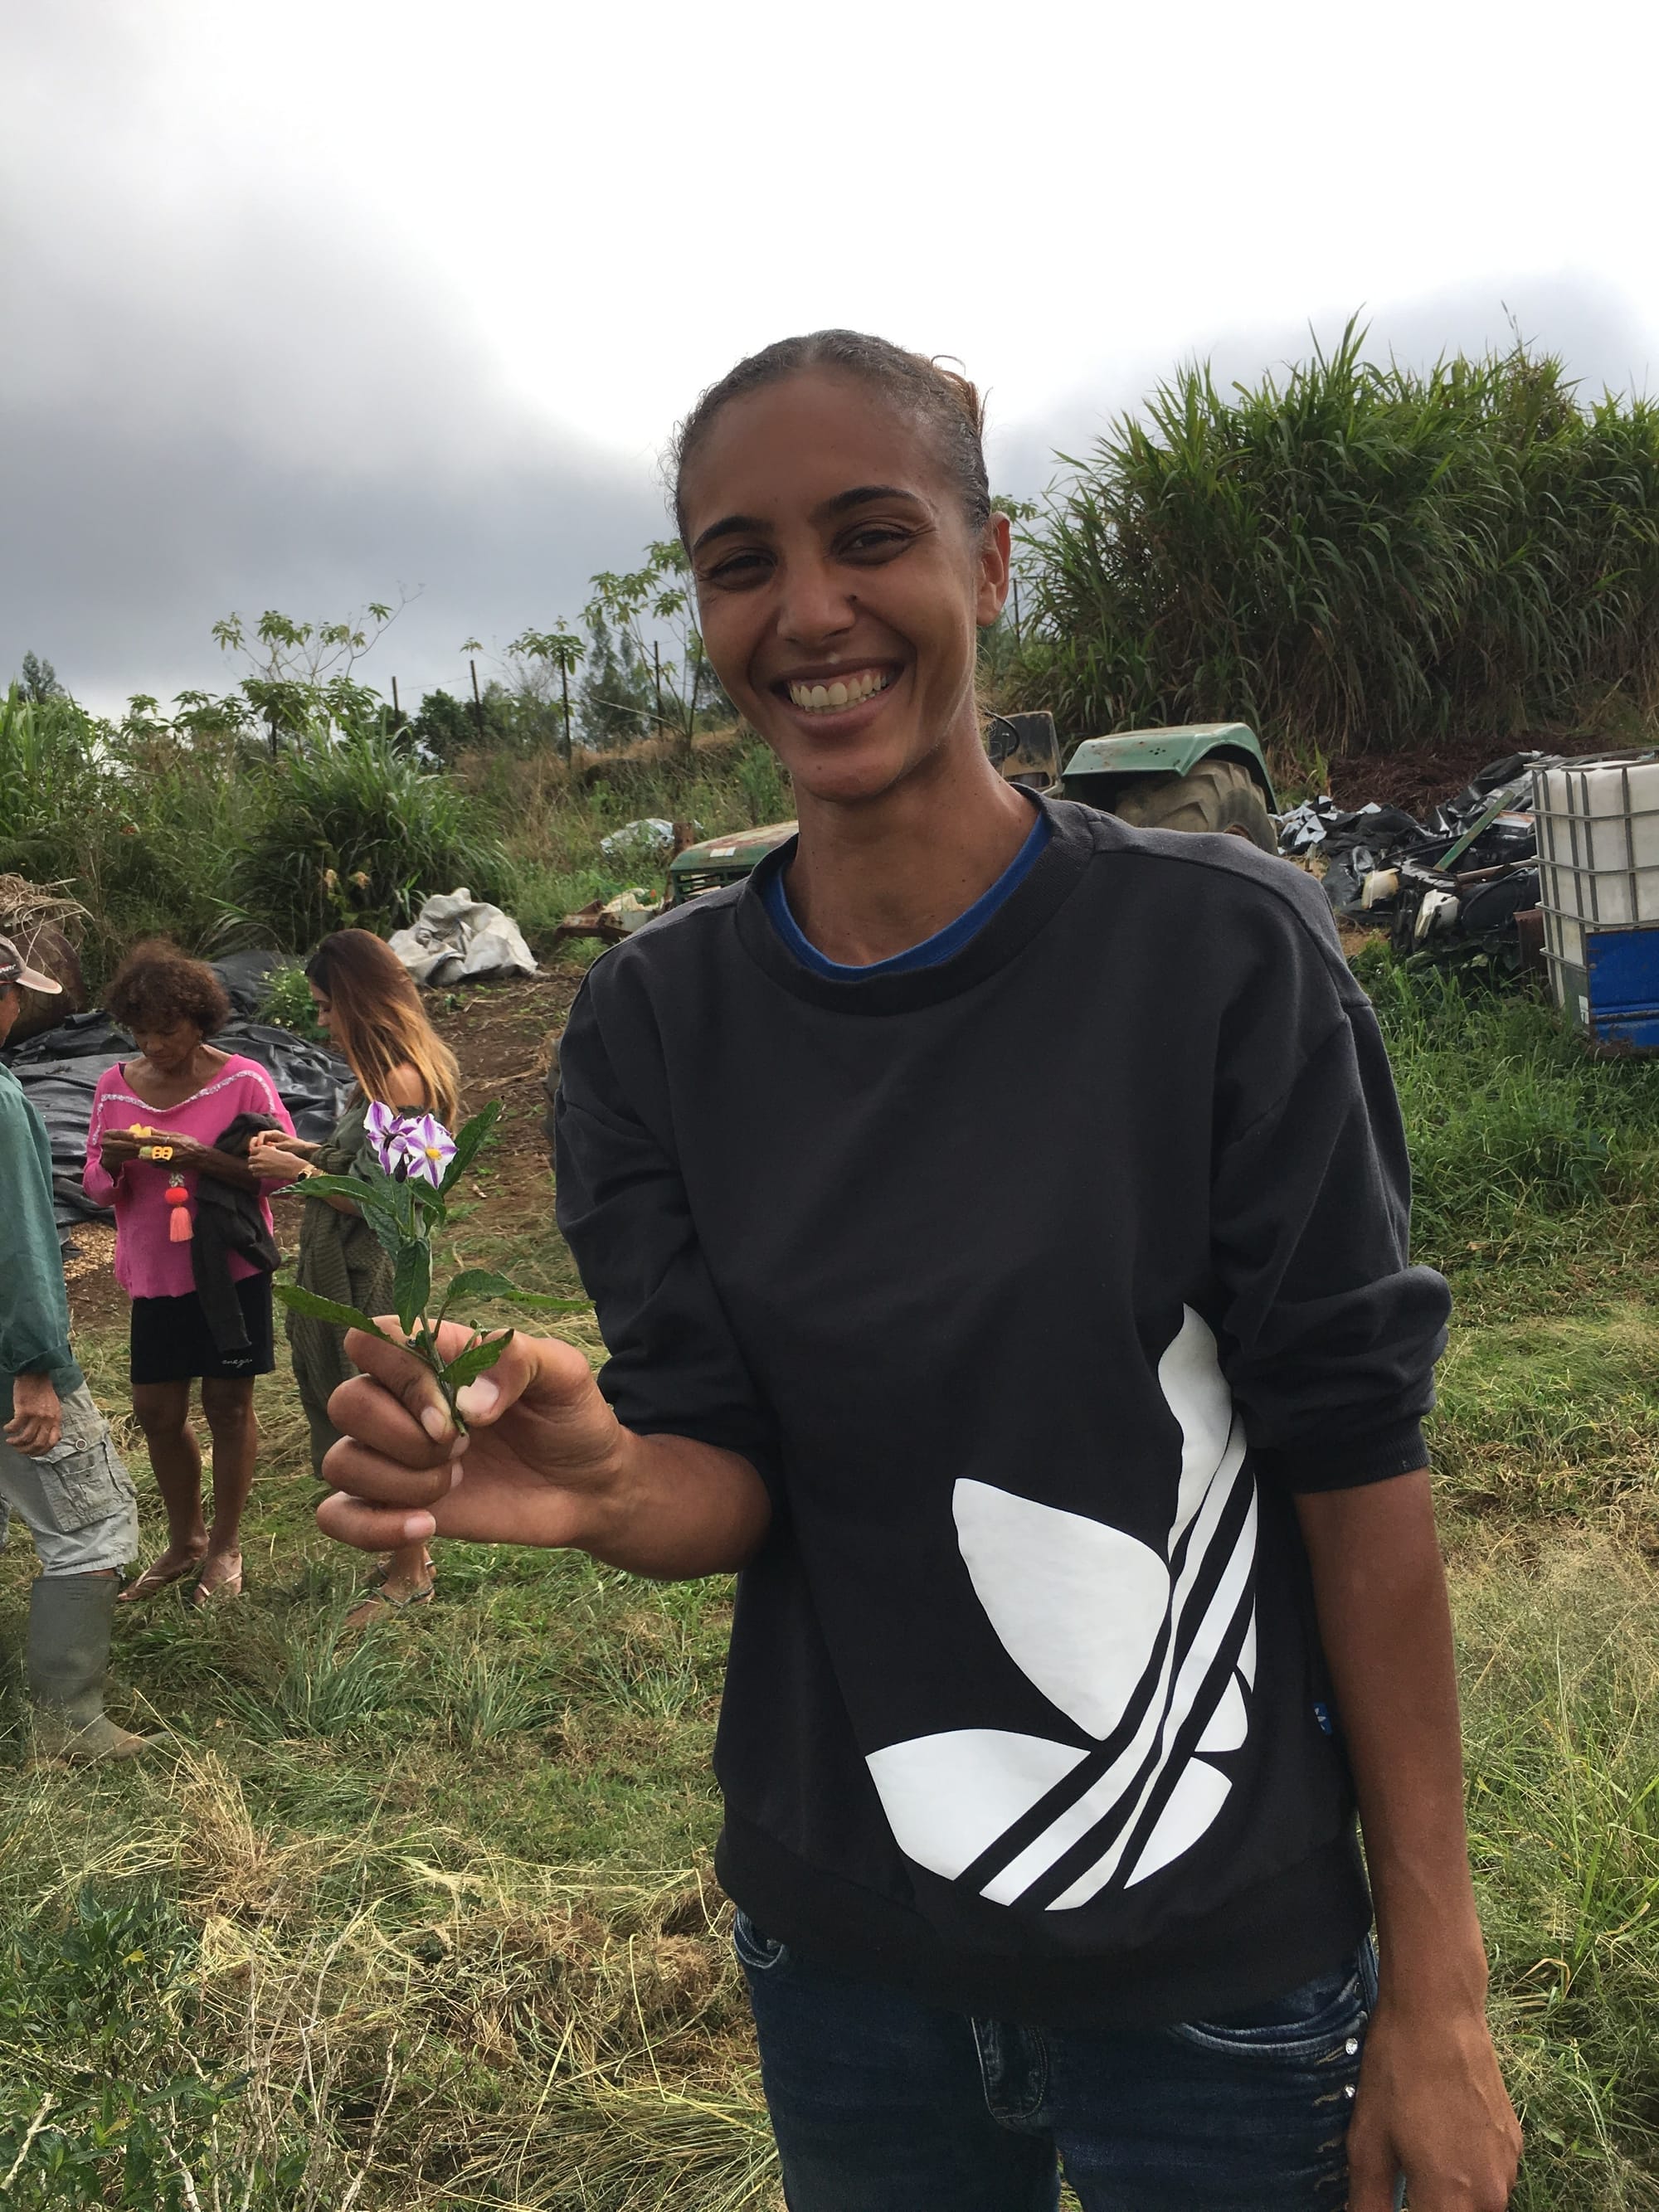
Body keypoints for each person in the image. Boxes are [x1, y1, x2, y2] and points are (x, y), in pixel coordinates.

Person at [309, 333, 1521, 2212]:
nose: (806, 611)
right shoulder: (650, 1025)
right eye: (738, 562)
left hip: (1211, 1966)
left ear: (986, 563)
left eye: (868, 535)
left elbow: (1355, 1464)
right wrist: (612, 1476)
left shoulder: (1211, 959)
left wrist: (1433, 1994)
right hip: (843, 1960)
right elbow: (728, 1466)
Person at [247, 929, 460, 1626]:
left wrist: (298, 1174)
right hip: (360, 1266)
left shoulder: (402, 1085)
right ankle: (413, 1555)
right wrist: (305, 1148)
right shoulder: (383, 1082)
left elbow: (382, 1199)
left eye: (324, 1006)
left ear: (355, 1000)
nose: (321, 1023)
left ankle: (407, 1577)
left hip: (376, 1276)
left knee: (380, 1421)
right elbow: (369, 1167)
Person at [83, 941, 295, 1606]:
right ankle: (186, 1539)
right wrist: (116, 1163)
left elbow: (281, 1171)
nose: (153, 1045)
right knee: (155, 1409)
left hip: (228, 1270)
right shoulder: (115, 1086)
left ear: (199, 1020)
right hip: (155, 1271)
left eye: (167, 1030)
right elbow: (93, 1186)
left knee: (228, 1406)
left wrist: (198, 1154)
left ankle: (227, 1546)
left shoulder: (244, 1082)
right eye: (140, 1031)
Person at [0, 934, 156, 1761]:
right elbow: (23, 1244)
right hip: (5, 1363)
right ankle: (68, 1718)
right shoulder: (2, 1103)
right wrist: (38, 1367)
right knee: (92, 1523)